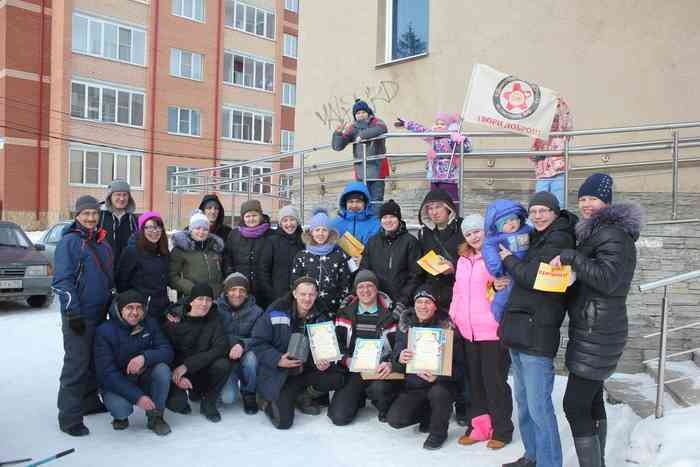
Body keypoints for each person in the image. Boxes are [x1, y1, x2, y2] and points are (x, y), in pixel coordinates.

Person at [550, 173, 642, 467]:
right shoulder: (597, 233)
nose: (586, 204)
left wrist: (571, 258)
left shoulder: (613, 234)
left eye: (592, 198)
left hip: (599, 331)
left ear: (606, 201)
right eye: (583, 199)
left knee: (574, 404)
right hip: (594, 327)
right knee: (590, 400)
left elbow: (608, 279)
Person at [498, 191, 577, 467]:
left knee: (539, 407)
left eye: (544, 210)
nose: (538, 216)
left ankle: (550, 462)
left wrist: (508, 259)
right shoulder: (534, 237)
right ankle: (532, 456)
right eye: (534, 212)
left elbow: (533, 277)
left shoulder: (560, 238)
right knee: (524, 402)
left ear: (555, 212)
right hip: (520, 326)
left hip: (538, 330)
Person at [52, 195, 115, 436]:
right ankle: (69, 417)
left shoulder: (102, 243)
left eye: (94, 214)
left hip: (100, 313)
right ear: (77, 215)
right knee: (76, 365)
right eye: (85, 214)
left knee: (93, 362)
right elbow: (62, 281)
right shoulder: (69, 242)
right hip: (78, 315)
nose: (90, 218)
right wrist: (73, 313)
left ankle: (89, 401)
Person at [450, 214, 514, 450]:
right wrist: (454, 314)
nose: (473, 237)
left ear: (486, 231)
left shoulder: (497, 253)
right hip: (468, 331)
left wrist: (499, 285)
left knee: (494, 382)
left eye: (477, 231)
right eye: (468, 234)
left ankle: (502, 429)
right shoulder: (463, 259)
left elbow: (508, 282)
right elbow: (458, 290)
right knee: (474, 382)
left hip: (492, 330)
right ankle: (479, 427)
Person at [250, 276, 344, 430]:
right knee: (283, 422)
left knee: (338, 377)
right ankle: (265, 399)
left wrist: (325, 360)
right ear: (294, 293)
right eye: (303, 294)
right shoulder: (275, 311)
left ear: (316, 295)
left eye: (311, 294)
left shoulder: (322, 315)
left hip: (306, 369)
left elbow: (331, 346)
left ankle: (304, 396)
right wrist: (277, 359)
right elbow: (257, 342)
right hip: (281, 373)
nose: (307, 298)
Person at [386, 286, 464, 451]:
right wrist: (400, 358)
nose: (423, 306)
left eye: (427, 302)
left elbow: (460, 367)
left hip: (441, 385)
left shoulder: (447, 328)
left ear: (435, 306)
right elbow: (396, 360)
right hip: (415, 386)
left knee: (439, 393)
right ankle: (428, 414)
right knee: (395, 419)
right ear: (414, 305)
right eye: (419, 302)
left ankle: (438, 432)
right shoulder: (406, 327)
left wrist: (439, 377)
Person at [415, 188, 467, 423]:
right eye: (430, 208)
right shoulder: (425, 234)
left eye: (438, 207)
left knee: (461, 353)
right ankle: (438, 401)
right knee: (439, 353)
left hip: (460, 296)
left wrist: (454, 267)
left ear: (449, 208)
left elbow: (474, 257)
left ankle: (465, 404)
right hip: (436, 297)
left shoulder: (462, 230)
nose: (434, 212)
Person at [94, 290, 173, 436]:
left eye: (139, 308)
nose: (135, 312)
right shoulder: (104, 331)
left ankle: (156, 417)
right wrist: (138, 397)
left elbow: (167, 351)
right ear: (120, 309)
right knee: (122, 409)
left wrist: (144, 357)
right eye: (129, 308)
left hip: (142, 376)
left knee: (162, 370)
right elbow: (107, 374)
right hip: (117, 382)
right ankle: (120, 417)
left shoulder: (150, 323)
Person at [328, 270, 399, 426]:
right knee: (339, 417)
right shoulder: (344, 313)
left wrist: (389, 363)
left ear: (377, 288)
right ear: (356, 290)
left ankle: (384, 405)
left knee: (379, 389)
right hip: (354, 369)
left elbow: (399, 346)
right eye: (361, 286)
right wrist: (346, 360)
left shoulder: (391, 314)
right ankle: (357, 397)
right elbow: (335, 344)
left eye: (370, 286)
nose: (365, 290)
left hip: (379, 370)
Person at [163, 283, 233, 423]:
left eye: (208, 300)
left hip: (200, 368)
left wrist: (188, 366)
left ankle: (208, 402)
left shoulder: (214, 319)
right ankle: (185, 394)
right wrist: (176, 376)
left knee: (223, 364)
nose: (204, 303)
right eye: (200, 299)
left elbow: (220, 347)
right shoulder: (174, 322)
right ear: (191, 301)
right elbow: (167, 352)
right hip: (177, 372)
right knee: (177, 404)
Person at [395, 112, 470, 207]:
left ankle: (454, 218)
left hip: (448, 178)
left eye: (442, 124)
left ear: (449, 126)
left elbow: (468, 148)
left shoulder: (451, 138)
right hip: (434, 177)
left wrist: (461, 140)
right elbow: (421, 130)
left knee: (450, 201)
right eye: (437, 123)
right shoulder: (433, 136)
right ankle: (436, 219)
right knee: (434, 201)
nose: (439, 126)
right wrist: (407, 124)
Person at [291, 208, 351, 319]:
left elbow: (345, 283)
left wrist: (341, 305)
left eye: (324, 230)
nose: (320, 233)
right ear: (311, 232)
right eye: (317, 230)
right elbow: (295, 282)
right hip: (307, 308)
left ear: (329, 232)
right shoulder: (302, 255)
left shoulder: (339, 255)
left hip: (333, 309)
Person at [359, 199, 421, 307]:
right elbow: (365, 270)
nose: (388, 220)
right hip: (377, 300)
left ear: (399, 219)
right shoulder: (372, 242)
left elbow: (416, 275)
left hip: (402, 302)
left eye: (392, 217)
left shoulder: (410, 242)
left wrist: (403, 301)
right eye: (384, 217)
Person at [217, 273, 264, 415]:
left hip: (245, 352)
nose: (237, 294)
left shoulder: (257, 311)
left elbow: (259, 337)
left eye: (242, 290)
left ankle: (249, 393)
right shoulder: (215, 308)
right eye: (233, 289)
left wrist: (242, 345)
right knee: (228, 398)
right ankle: (220, 386)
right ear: (226, 291)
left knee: (252, 358)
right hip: (224, 354)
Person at [332, 99, 389, 212]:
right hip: (360, 171)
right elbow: (338, 146)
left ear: (368, 112)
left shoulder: (376, 122)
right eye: (357, 113)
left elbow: (381, 129)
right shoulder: (353, 128)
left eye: (363, 112)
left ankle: (375, 226)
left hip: (377, 168)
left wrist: (362, 135)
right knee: (362, 200)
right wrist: (338, 134)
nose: (361, 115)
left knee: (376, 200)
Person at [482, 200, 533, 322]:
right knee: (502, 299)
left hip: (526, 270)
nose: (511, 224)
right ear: (498, 226)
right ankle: (500, 318)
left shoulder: (528, 230)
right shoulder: (494, 239)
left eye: (513, 219)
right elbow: (490, 252)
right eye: (505, 222)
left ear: (519, 219)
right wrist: (496, 269)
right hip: (508, 274)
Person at [116, 211, 171, 321]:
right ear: (142, 230)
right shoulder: (132, 251)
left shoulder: (163, 251)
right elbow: (121, 282)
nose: (154, 231)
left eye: (158, 227)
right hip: (141, 311)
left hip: (162, 308)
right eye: (149, 227)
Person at [223, 199, 273, 309]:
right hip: (240, 290)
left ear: (260, 216)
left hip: (265, 290)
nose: (251, 219)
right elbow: (228, 259)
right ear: (243, 218)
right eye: (248, 216)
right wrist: (231, 278)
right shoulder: (234, 235)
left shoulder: (271, 235)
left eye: (254, 215)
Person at [169, 210, 225, 300]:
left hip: (215, 299)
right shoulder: (180, 250)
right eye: (197, 228)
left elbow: (220, 274)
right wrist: (193, 289)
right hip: (192, 299)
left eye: (205, 229)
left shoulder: (214, 249)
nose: (201, 232)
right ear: (191, 229)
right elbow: (172, 276)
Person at [530, 98, 573, 208]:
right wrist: (538, 154)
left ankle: (561, 221)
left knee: (559, 202)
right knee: (539, 201)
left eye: (555, 120)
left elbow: (566, 117)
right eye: (549, 121)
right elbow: (532, 156)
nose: (552, 123)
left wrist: (560, 103)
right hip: (542, 176)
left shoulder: (562, 134)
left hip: (559, 173)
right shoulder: (539, 137)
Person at [260, 205, 305, 303]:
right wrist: (270, 293)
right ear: (280, 224)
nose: (289, 224)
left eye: (292, 219)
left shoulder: (304, 241)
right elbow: (264, 270)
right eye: (285, 220)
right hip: (278, 295)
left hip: (301, 296)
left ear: (297, 221)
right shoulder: (272, 241)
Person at [99, 179, 138, 272]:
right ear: (110, 197)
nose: (122, 198)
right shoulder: (99, 217)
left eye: (125, 195)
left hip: (128, 273)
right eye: (118, 194)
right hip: (103, 270)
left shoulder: (133, 220)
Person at [330, 181, 381, 246]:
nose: (354, 205)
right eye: (351, 202)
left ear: (365, 203)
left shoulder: (375, 224)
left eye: (358, 201)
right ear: (345, 203)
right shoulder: (334, 224)